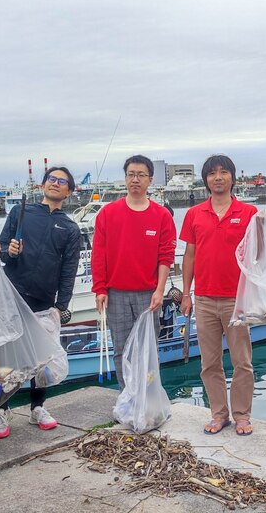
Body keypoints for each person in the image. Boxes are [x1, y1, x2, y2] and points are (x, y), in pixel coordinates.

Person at [0, 166, 82, 438]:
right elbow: (1, 248)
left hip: (43, 302)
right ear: (43, 185)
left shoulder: (70, 228)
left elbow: (69, 269)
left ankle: (37, 408)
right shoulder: (20, 212)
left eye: (62, 181)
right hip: (11, 296)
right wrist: (10, 250)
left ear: (69, 191)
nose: (55, 183)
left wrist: (61, 305)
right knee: (2, 357)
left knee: (40, 359)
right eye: (51, 179)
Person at [180, 154, 258, 436]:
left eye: (224, 172)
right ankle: (218, 414)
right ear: (206, 180)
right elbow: (189, 255)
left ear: (232, 178)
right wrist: (186, 293)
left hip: (237, 299)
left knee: (242, 362)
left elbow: (260, 256)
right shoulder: (194, 214)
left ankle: (242, 415)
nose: (218, 178)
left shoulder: (249, 213)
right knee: (209, 363)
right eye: (212, 173)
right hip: (203, 298)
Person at [91, 154, 177, 382]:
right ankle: (126, 396)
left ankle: (148, 396)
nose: (135, 179)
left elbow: (165, 256)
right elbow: (98, 254)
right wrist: (100, 288)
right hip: (116, 293)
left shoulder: (162, 215)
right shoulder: (108, 213)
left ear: (150, 180)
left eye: (141, 175)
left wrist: (160, 290)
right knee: (121, 350)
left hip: (148, 294)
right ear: (125, 178)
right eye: (131, 174)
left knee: (148, 349)